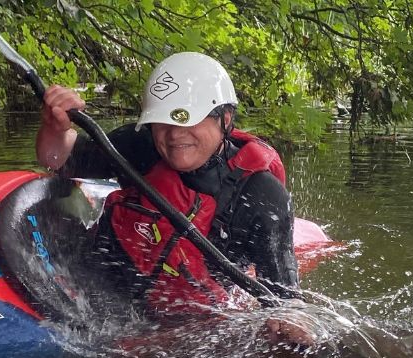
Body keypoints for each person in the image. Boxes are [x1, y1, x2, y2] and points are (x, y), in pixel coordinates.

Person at [36, 52, 304, 337]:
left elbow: (284, 302)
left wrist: (293, 325)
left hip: (188, 325)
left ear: (225, 119)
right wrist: (55, 127)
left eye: (188, 121)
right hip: (96, 287)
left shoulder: (262, 197)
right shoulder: (139, 146)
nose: (175, 135)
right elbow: (56, 158)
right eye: (164, 122)